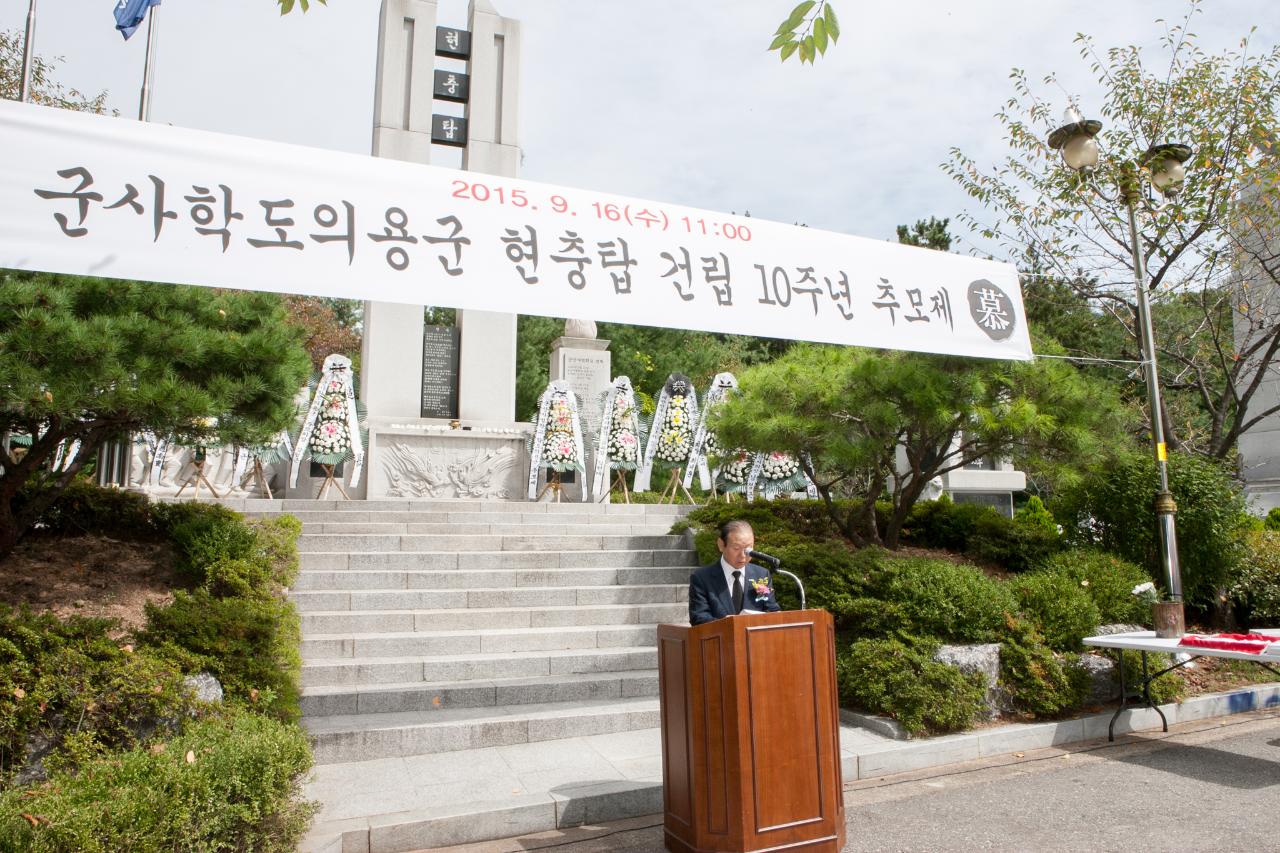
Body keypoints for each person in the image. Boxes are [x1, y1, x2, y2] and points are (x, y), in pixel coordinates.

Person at [688, 519, 781, 626]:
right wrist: (729, 624)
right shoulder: (701, 577)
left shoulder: (761, 574)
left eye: (748, 549)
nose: (743, 555)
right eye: (736, 548)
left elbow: (772, 611)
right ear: (721, 545)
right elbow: (698, 617)